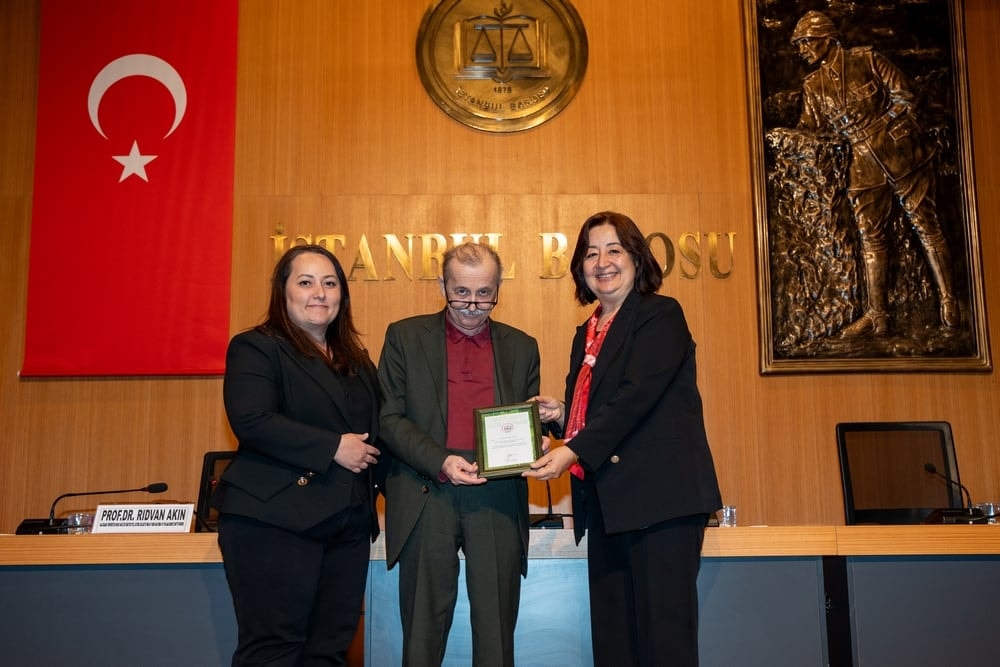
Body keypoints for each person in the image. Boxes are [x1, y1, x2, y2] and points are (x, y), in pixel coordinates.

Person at [524, 211, 722, 667]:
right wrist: (561, 417)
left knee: (663, 643)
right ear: (580, 267)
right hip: (608, 505)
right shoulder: (588, 332)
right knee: (615, 643)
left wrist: (571, 451)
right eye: (591, 252)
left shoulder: (659, 314)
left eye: (614, 249)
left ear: (636, 258)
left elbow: (635, 399)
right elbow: (598, 409)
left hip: (661, 504)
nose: (602, 261)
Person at [216, 244, 383, 666]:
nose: (319, 293)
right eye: (305, 282)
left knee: (328, 652)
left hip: (347, 526)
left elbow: (383, 433)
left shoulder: (357, 362)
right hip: (274, 523)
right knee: (275, 649)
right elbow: (251, 419)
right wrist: (333, 447)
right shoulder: (256, 347)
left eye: (330, 284)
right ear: (283, 292)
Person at [377, 242, 540, 666]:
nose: (472, 305)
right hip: (426, 490)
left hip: (497, 495)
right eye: (461, 292)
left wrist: (542, 428)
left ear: (498, 288)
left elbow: (524, 422)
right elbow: (389, 419)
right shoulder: (404, 336)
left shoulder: (522, 346)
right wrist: (441, 460)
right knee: (422, 635)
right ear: (441, 284)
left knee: (496, 633)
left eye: (484, 293)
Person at [791, 10, 959, 338]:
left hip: (902, 157)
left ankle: (949, 303)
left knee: (927, 226)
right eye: (799, 44)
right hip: (861, 170)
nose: (802, 50)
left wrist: (881, 128)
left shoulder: (867, 60)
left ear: (825, 38)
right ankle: (878, 315)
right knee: (871, 239)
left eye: (805, 42)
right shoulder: (813, 85)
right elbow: (810, 128)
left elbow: (906, 95)